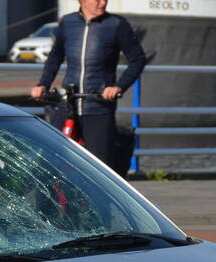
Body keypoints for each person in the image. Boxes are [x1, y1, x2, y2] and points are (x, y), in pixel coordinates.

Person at [30, 0, 146, 168]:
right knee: (50, 158)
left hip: (99, 106)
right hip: (69, 103)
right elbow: (55, 57)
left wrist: (119, 86)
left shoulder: (116, 24)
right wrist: (43, 85)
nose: (103, 3)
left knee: (99, 166)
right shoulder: (67, 22)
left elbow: (138, 60)